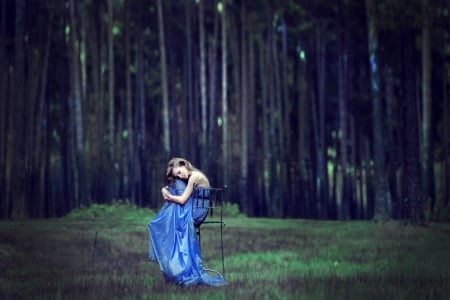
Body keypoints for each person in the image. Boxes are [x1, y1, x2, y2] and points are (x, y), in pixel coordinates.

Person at [147, 158, 227, 287]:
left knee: (174, 206)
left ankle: (178, 266)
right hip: (195, 206)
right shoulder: (188, 176)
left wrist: (169, 197)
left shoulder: (194, 177)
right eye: (177, 174)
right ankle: (176, 265)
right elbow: (171, 187)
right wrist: (164, 190)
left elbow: (183, 200)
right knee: (176, 188)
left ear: (184, 164)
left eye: (179, 171)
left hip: (198, 211)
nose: (180, 175)